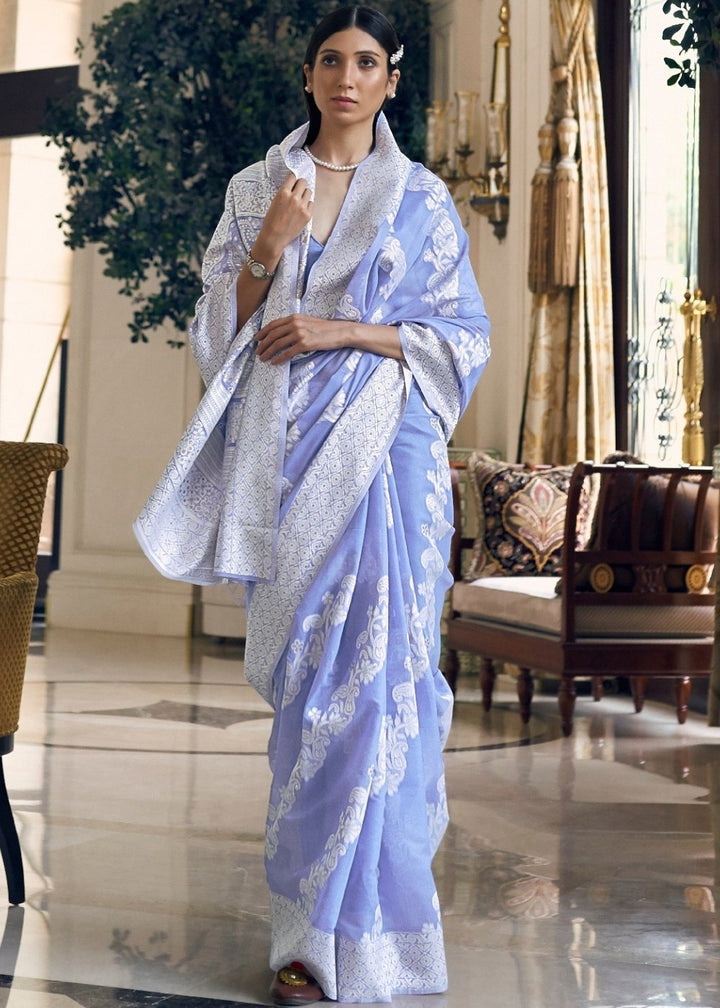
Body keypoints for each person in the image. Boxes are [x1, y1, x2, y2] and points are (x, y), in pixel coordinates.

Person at [134, 5, 490, 1004]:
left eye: (366, 62)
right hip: (288, 460)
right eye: (331, 59)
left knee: (381, 690)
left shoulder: (422, 199)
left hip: (392, 457)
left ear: (390, 80)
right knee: (315, 696)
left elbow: (461, 337)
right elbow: (217, 337)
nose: (346, 76)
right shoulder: (259, 188)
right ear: (309, 74)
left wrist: (342, 332)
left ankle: (369, 940)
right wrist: (269, 246)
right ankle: (304, 932)